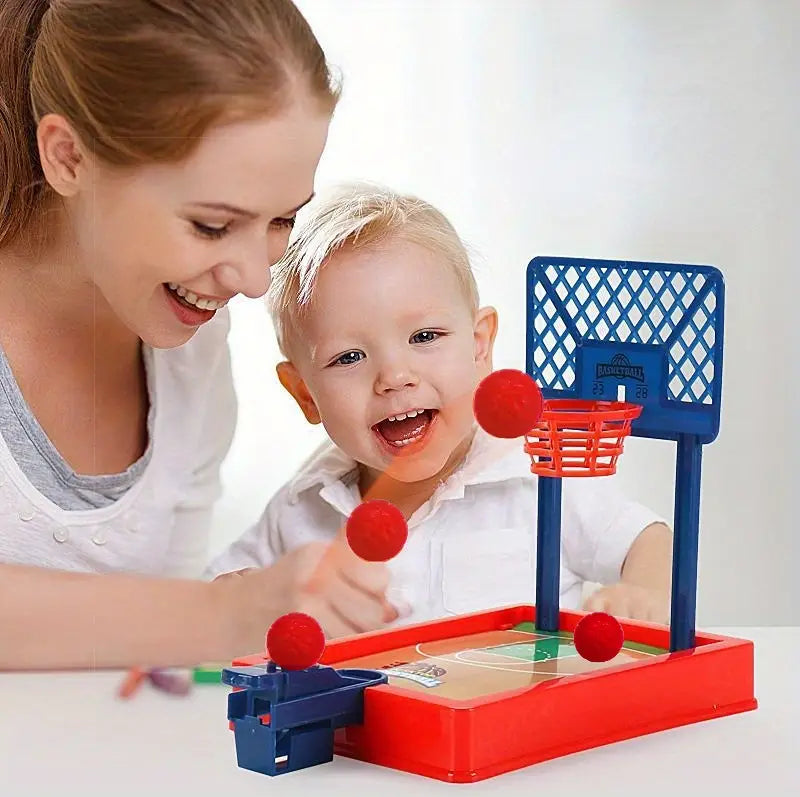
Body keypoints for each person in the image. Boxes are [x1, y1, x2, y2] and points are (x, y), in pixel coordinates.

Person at [0, 0, 355, 670]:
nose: (254, 279)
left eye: (282, 220)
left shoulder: (189, 349)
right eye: (213, 225)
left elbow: (149, 639)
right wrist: (222, 616)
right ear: (69, 156)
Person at [206, 183, 674, 633]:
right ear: (304, 393)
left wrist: (643, 594)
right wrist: (238, 607)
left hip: (511, 712)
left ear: (479, 347)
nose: (394, 377)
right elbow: (216, 600)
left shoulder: (537, 477)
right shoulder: (300, 509)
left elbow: (648, 540)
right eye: (349, 357)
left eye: (424, 337)